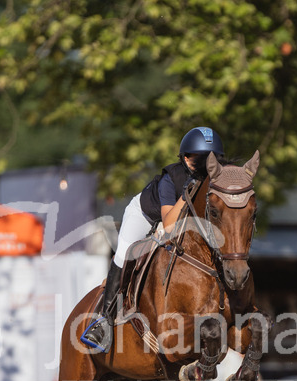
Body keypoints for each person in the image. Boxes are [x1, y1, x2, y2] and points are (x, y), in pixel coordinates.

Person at [81, 126, 225, 352]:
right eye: (201, 159)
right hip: (147, 216)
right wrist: (187, 193)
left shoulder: (215, 180)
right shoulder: (172, 178)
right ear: (186, 159)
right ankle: (104, 321)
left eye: (212, 160)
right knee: (125, 253)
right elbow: (168, 225)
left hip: (183, 224)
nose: (207, 166)